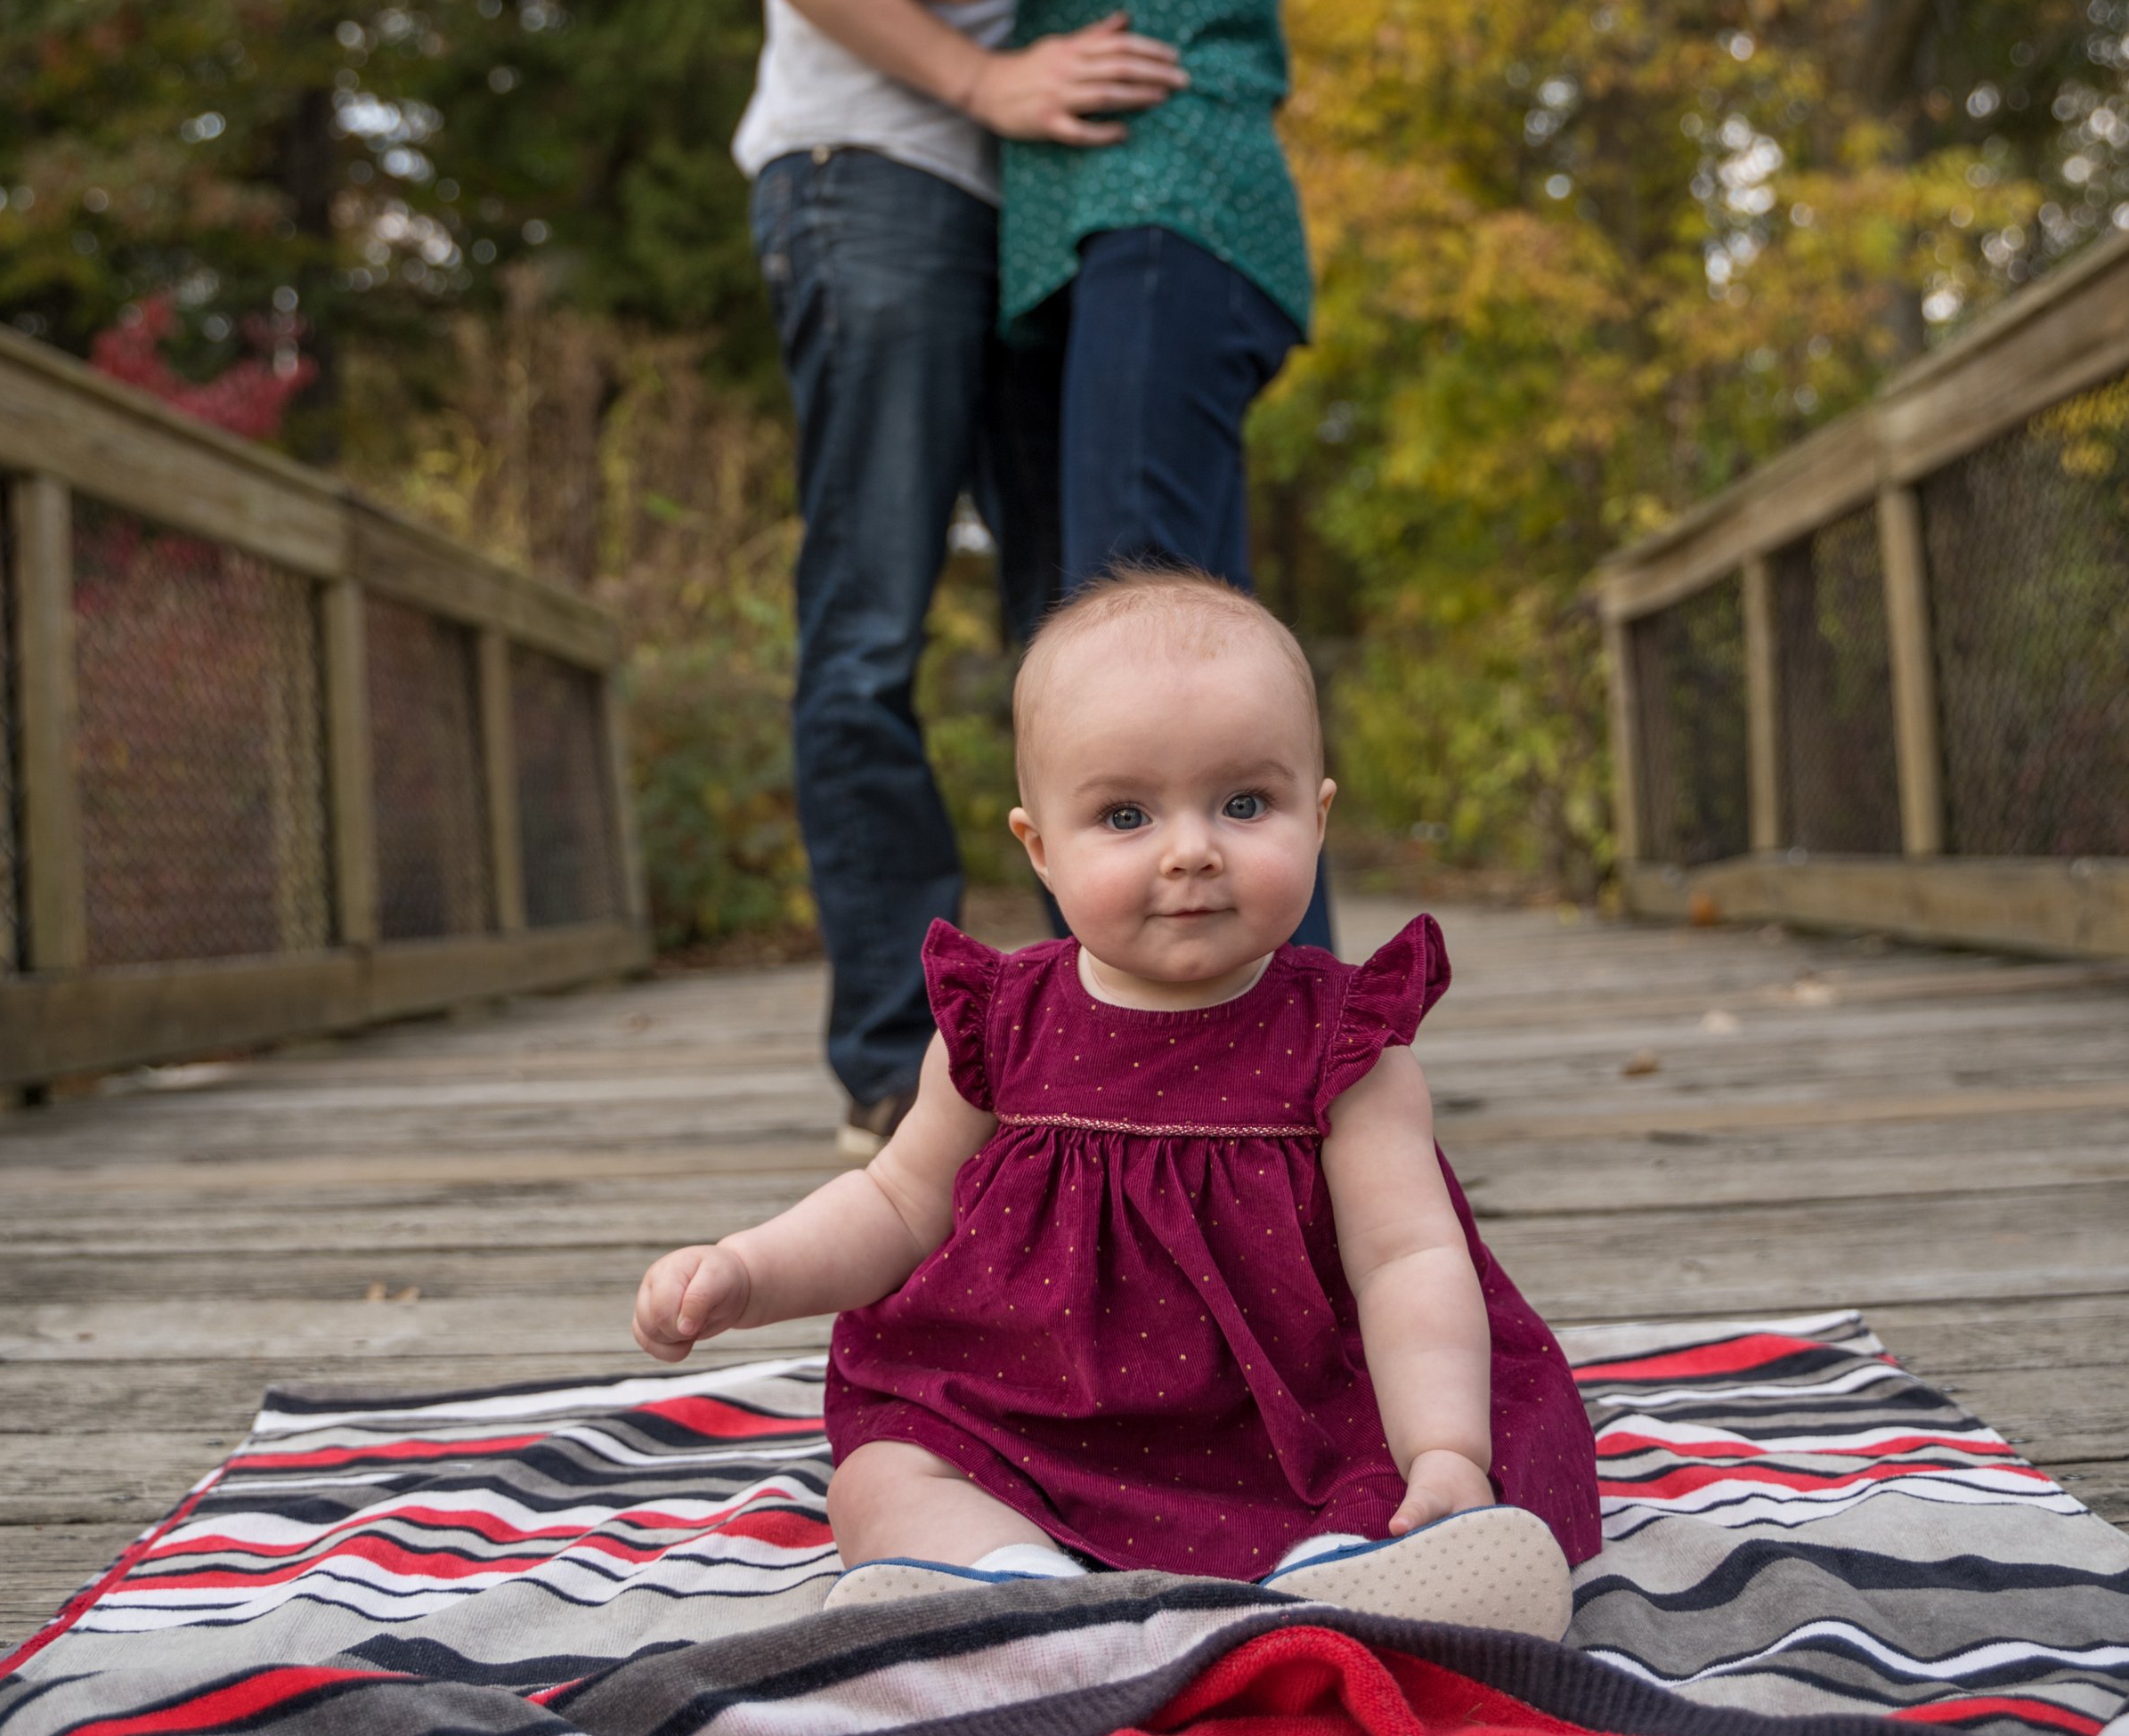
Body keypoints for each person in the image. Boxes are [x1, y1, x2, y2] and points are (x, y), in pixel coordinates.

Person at [633, 571, 1601, 1634]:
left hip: (1292, 1424)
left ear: (1317, 820)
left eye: (1245, 804)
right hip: (1031, 1404)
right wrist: (746, 1270)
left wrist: (1445, 1452)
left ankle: (1347, 1579)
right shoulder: (999, 1025)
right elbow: (896, 1204)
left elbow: (1408, 1261)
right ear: (1039, 847)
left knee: (1416, 1474)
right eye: (1125, 814)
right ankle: (1006, 1595)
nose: (1191, 849)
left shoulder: (1343, 1046)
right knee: (886, 1471)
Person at [708, 0, 1272, 1162]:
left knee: (1080, 623)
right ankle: (896, 1063)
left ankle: (1094, 1044)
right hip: (868, 167)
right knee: (871, 618)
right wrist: (971, 81)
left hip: (1051, 200)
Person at [849, 0, 1356, 948]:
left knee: (1157, 648)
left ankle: (1284, 1059)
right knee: (1155, 638)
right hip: (1134, 239)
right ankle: (1237, 1029)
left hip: (1168, 219)